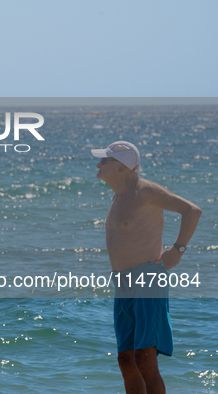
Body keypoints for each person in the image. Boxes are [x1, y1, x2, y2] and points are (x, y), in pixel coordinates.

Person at [91, 141, 202, 394]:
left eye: (105, 160)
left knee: (144, 358)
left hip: (147, 279)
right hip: (122, 284)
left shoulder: (146, 191)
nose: (99, 164)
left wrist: (178, 249)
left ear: (122, 167)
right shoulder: (119, 196)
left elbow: (192, 211)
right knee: (126, 360)